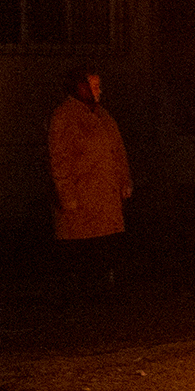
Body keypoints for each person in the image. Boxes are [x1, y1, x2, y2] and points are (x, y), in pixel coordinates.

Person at [49, 65, 132, 296]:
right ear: (81, 88)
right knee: (83, 248)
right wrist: (67, 197)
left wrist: (124, 180)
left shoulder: (103, 115)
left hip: (105, 198)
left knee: (105, 246)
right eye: (95, 86)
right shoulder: (64, 116)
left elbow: (118, 151)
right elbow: (59, 160)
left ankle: (105, 288)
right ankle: (82, 293)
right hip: (83, 200)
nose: (99, 91)